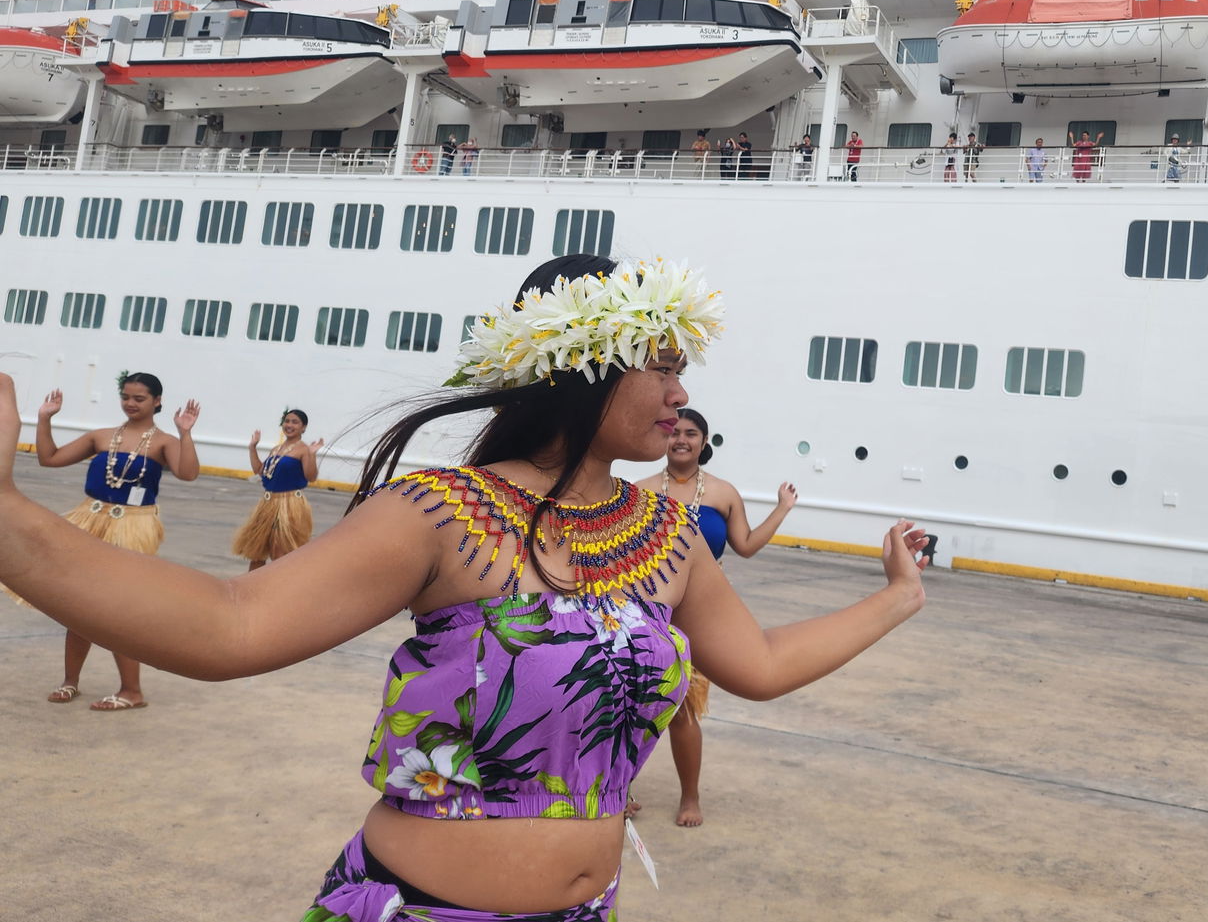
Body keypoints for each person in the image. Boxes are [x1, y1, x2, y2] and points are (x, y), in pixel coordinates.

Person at [0, 255, 928, 921]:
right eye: (663, 360)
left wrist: (896, 597)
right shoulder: (441, 510)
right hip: (417, 909)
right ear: (580, 360)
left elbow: (758, 662)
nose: (682, 389)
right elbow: (230, 625)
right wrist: (12, 521)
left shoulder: (668, 534)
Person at [649, 408, 798, 827]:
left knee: (682, 709)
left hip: (700, 614)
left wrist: (782, 508)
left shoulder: (722, 493)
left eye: (690, 433)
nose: (681, 439)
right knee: (626, 702)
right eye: (674, 431)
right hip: (648, 608)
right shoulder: (638, 489)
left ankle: (690, 797)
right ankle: (617, 791)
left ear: (703, 441)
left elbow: (746, 546)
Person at [27, 372, 201, 711]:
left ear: (157, 402)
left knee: (117, 609)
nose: (131, 403)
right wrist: (44, 419)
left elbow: (188, 472)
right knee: (78, 605)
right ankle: (70, 681)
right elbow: (48, 458)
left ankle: (131, 691)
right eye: (126, 397)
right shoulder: (101, 436)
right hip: (89, 520)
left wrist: (185, 432)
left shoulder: (163, 442)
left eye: (139, 398)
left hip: (133, 527)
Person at [232, 408, 324, 572]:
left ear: (303, 428)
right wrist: (253, 447)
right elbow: (260, 471)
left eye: (295, 422)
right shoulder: (276, 450)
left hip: (288, 505)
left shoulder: (303, 449)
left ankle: (276, 592)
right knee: (257, 552)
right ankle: (251, 590)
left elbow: (311, 476)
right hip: (267, 504)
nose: (289, 425)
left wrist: (312, 455)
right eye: (287, 421)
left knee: (279, 553)